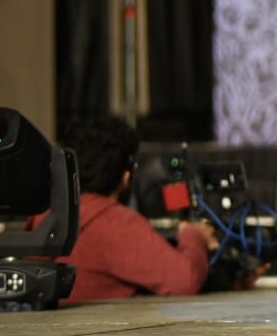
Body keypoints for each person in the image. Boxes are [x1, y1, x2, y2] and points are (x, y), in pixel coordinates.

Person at [47, 117, 217, 304]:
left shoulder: (42, 217)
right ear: (126, 178)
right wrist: (194, 236)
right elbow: (185, 279)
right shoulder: (112, 222)